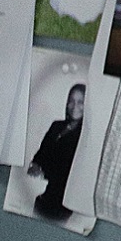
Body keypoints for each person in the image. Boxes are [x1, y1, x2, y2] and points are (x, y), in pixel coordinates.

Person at [28, 84, 85, 221]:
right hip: (39, 190)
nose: (74, 106)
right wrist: (35, 165)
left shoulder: (85, 136)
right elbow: (41, 153)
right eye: (71, 100)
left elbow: (67, 169)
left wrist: (44, 172)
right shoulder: (57, 125)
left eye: (80, 102)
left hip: (60, 199)